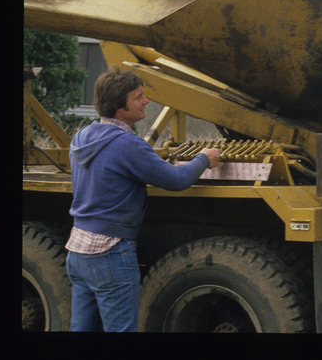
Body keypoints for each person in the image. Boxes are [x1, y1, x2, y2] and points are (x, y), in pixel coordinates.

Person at [65, 68, 222, 332]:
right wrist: (203, 158)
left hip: (78, 250)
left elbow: (113, 169)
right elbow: (176, 180)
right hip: (110, 253)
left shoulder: (82, 137)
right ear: (120, 107)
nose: (146, 101)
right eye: (138, 97)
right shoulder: (128, 145)